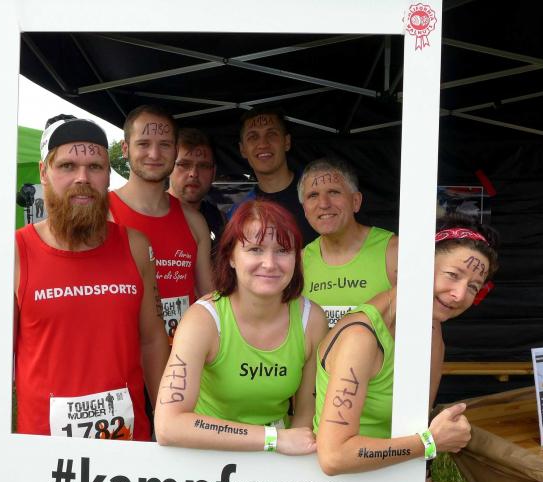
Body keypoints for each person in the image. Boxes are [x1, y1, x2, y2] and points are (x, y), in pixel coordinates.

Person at [313, 215, 499, 482]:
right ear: (418, 263)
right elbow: (333, 456)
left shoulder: (432, 331)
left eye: (472, 287)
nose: (459, 295)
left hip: (395, 476)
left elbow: (416, 430)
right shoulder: (362, 338)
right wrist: (429, 442)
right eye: (452, 275)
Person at [13, 114, 170, 441]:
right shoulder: (15, 251)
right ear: (44, 172)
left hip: (127, 443)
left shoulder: (135, 246)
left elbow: (153, 341)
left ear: (108, 175)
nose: (82, 178)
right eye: (67, 166)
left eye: (95, 167)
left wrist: (167, 422)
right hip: (44, 451)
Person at [155, 200, 328, 455]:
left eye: (283, 250)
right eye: (255, 249)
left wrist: (281, 449)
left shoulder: (311, 319)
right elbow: (168, 425)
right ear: (231, 257)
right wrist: (272, 439)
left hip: (277, 457)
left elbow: (306, 412)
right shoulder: (203, 320)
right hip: (208, 453)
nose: (269, 263)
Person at [109, 105, 214, 343]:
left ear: (175, 150)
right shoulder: (102, 213)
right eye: (143, 144)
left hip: (183, 357)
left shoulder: (194, 221)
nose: (154, 154)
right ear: (125, 148)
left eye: (165, 144)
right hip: (123, 356)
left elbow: (208, 297)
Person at [298, 157, 398, 327]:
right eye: (313, 195)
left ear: (355, 201)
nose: (323, 204)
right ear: (305, 210)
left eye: (333, 192)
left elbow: (428, 329)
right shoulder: (298, 262)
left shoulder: (395, 252)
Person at [230, 106, 318, 244]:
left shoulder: (318, 193)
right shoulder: (240, 212)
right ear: (242, 150)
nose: (263, 144)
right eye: (253, 137)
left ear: (287, 142)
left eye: (271, 134)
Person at [167, 127, 226, 249]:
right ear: (168, 167)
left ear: (214, 173)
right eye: (184, 164)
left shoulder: (220, 220)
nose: (193, 173)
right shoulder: (148, 213)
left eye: (203, 166)